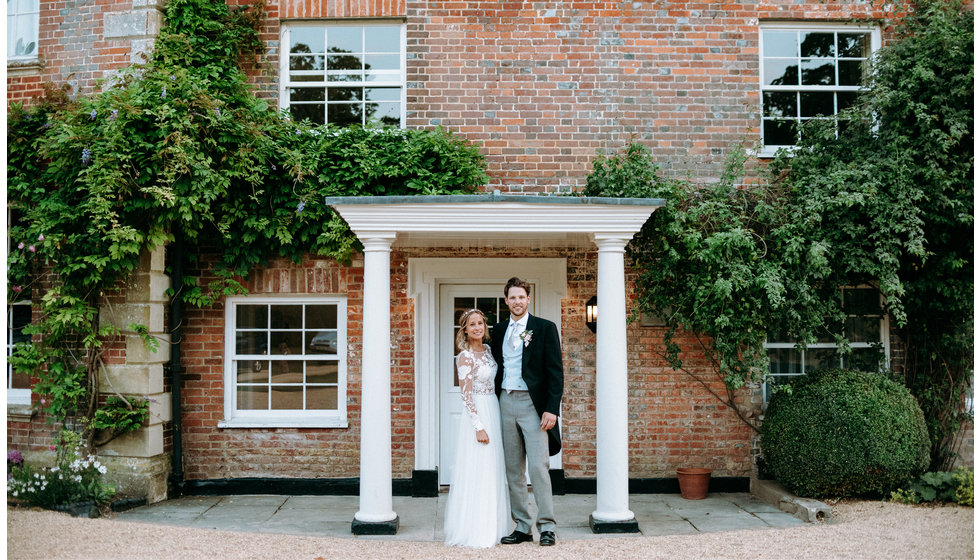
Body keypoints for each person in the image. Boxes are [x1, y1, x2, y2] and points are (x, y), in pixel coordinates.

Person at [491, 277, 564, 547]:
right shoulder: (498, 330)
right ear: (506, 300)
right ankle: (522, 526)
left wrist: (551, 409)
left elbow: (555, 372)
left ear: (528, 299)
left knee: (538, 467)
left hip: (534, 405)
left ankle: (546, 526)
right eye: (512, 297)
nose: (517, 302)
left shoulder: (543, 328)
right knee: (513, 469)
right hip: (505, 402)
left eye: (521, 297)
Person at [443, 308, 511, 548]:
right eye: (472, 324)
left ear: (485, 326)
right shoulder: (465, 356)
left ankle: (495, 525)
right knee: (478, 469)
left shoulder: (490, 351)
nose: (477, 328)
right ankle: (474, 529)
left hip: (493, 406)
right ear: (465, 329)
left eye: (480, 323)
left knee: (493, 468)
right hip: (478, 415)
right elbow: (466, 395)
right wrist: (479, 426)